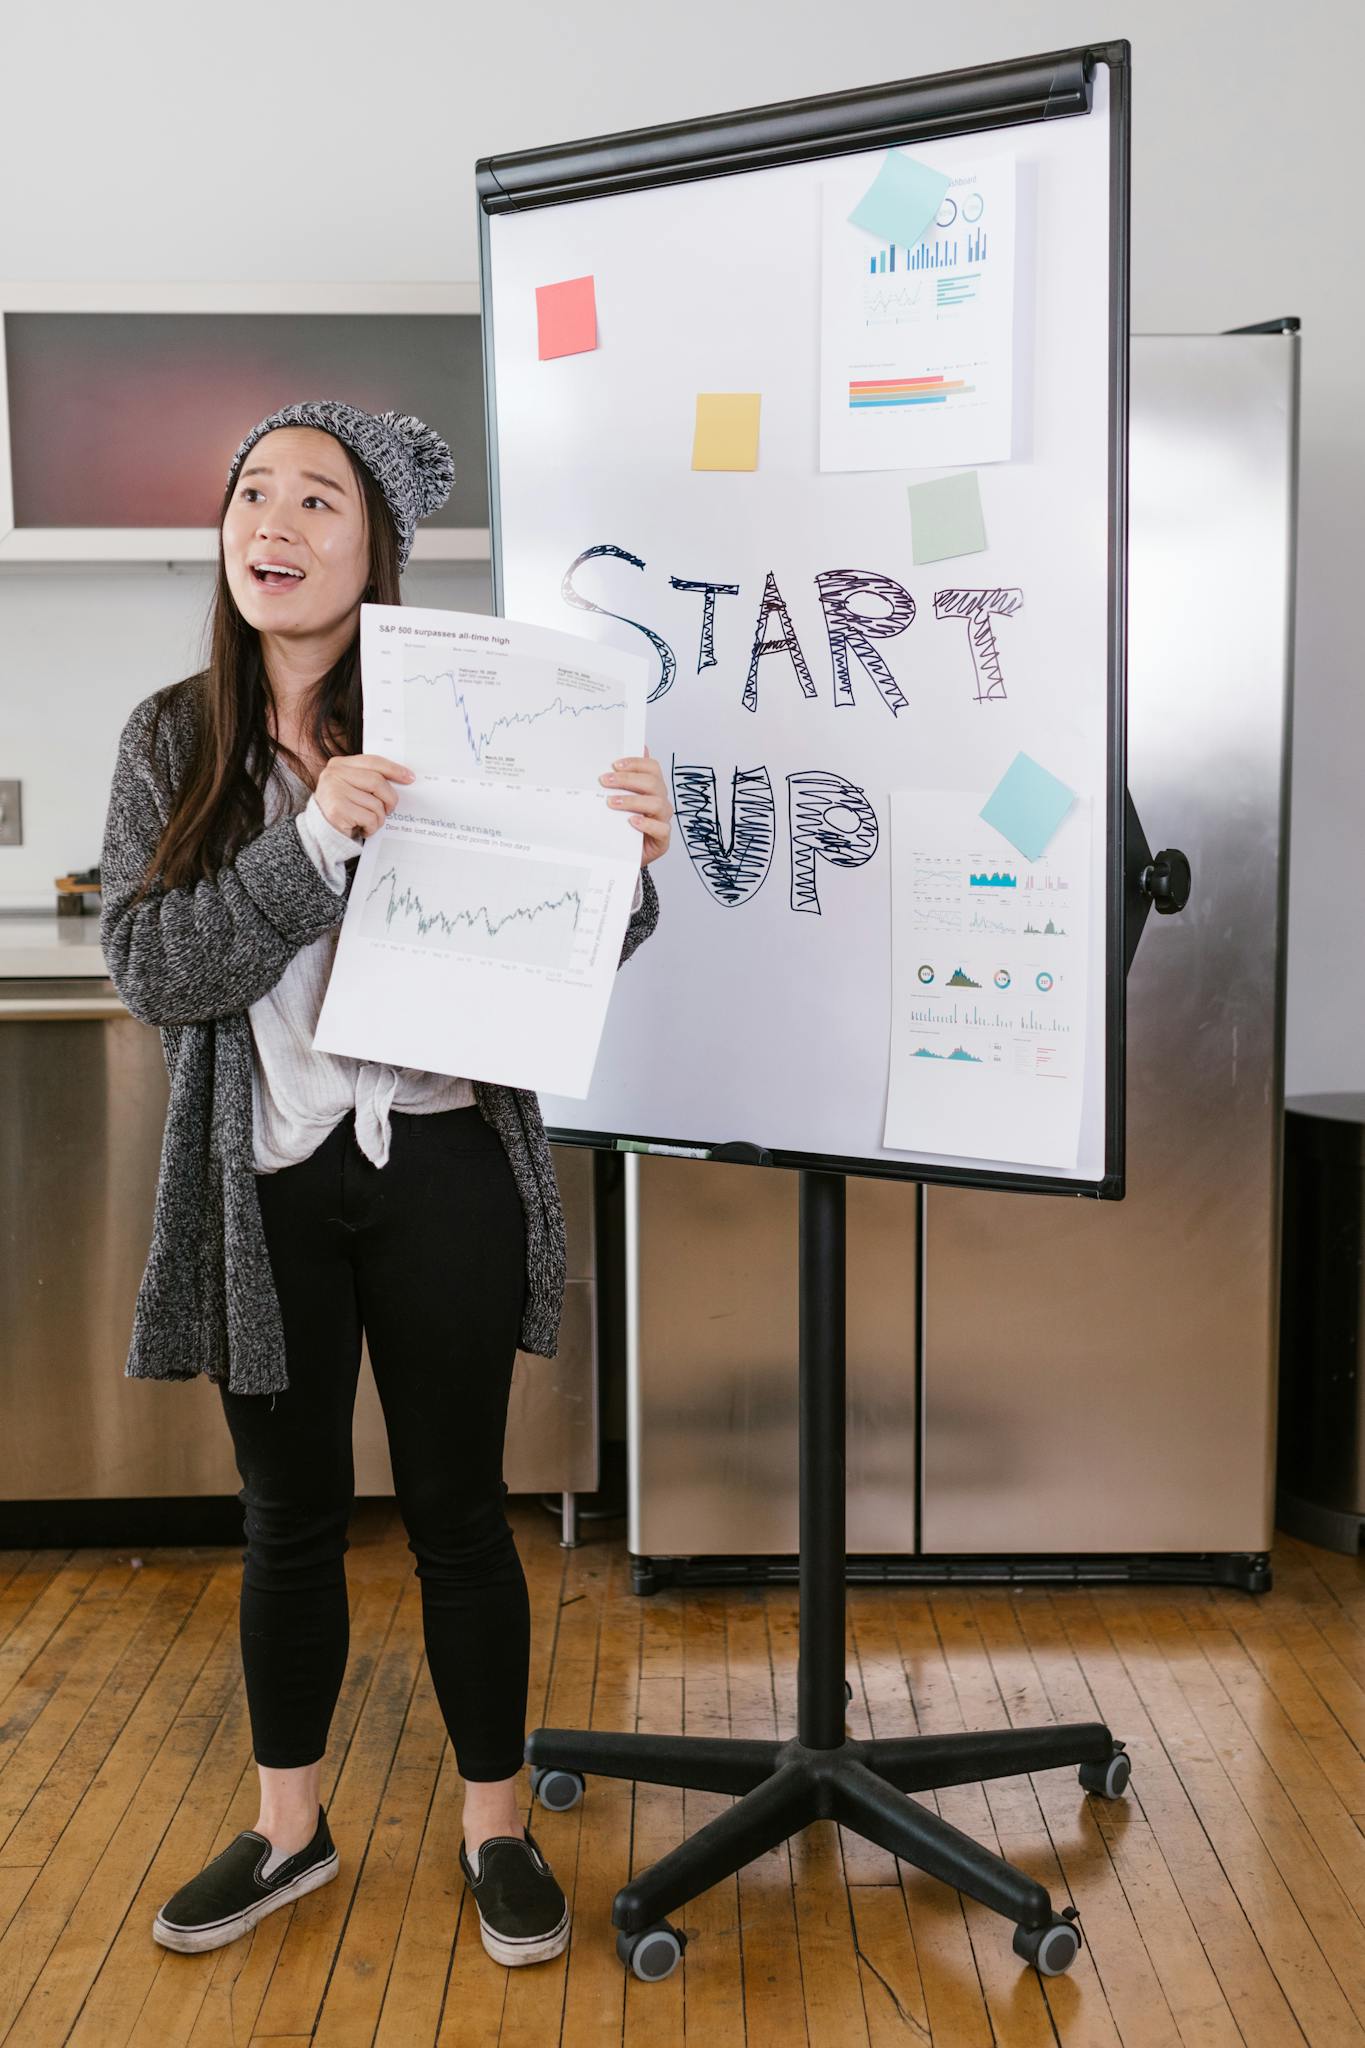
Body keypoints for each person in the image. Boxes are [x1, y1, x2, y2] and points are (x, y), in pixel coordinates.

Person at [96, 398, 669, 1967]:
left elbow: (575, 949)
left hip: (442, 1171)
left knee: (458, 1517)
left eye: (315, 503)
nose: (272, 525)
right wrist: (311, 849)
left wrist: (629, 862)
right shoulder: (170, 737)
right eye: (251, 496)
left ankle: (494, 1829)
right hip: (267, 1178)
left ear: (376, 552)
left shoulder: (468, 711)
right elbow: (154, 970)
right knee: (285, 1524)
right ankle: (291, 1828)